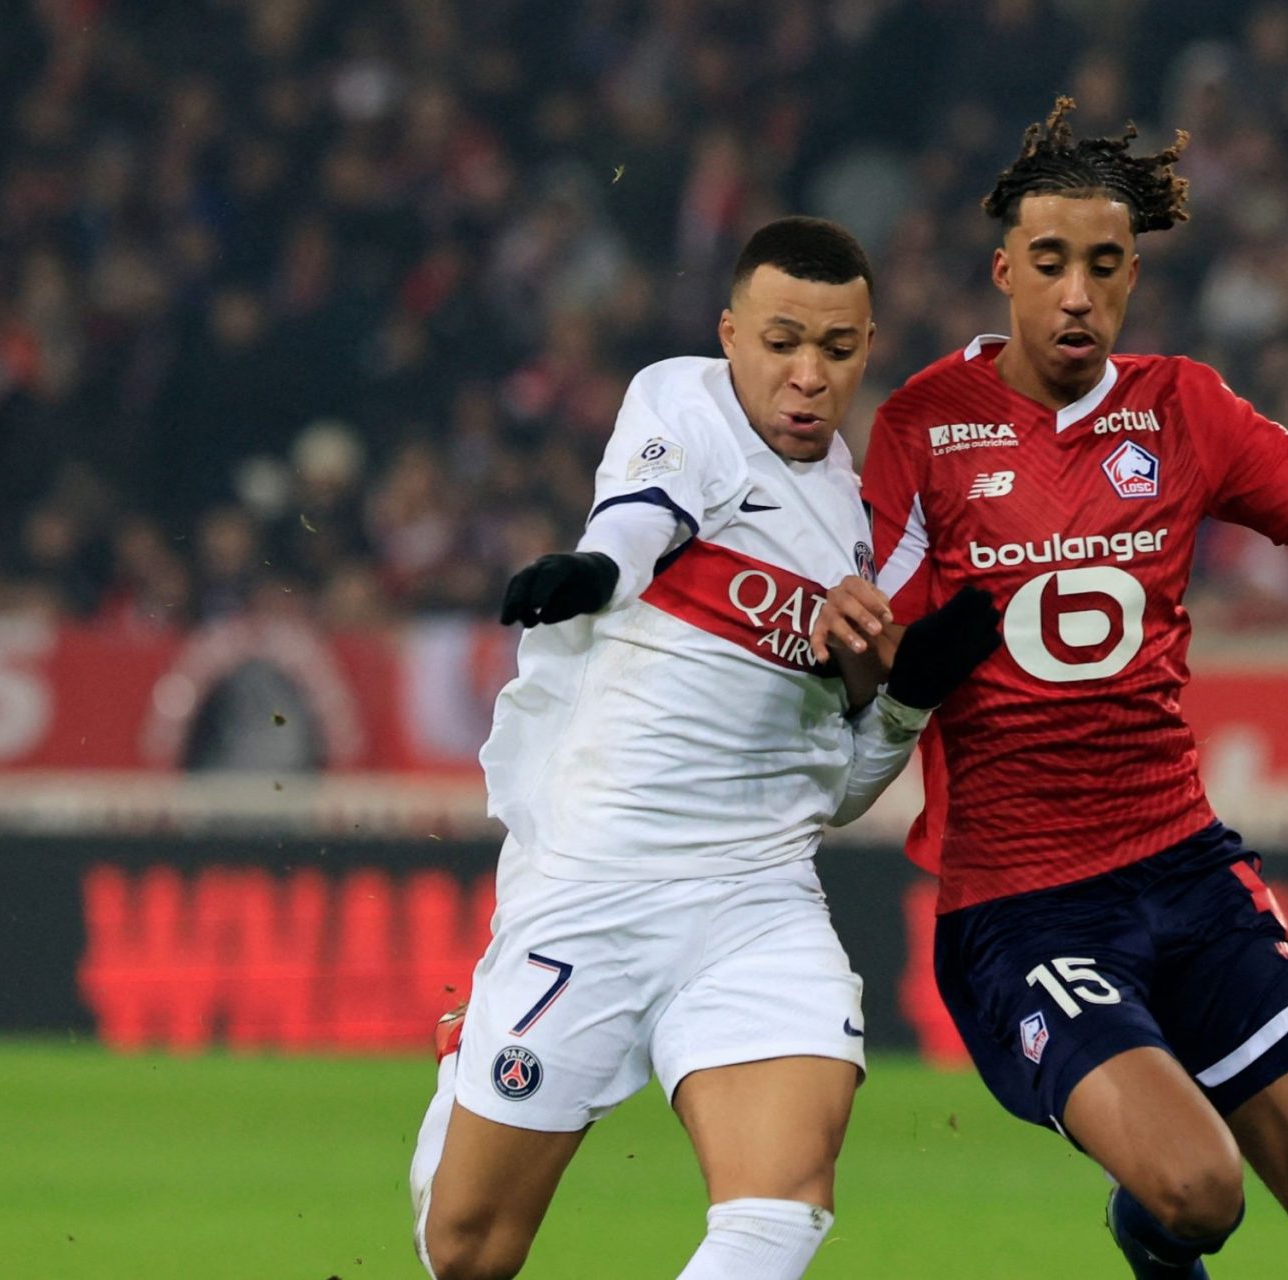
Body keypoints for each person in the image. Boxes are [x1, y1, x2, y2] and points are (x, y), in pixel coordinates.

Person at [813, 99, 1288, 1280]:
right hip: (1023, 906)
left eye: (1103, 266)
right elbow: (874, 635)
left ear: (1133, 275)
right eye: (1050, 263)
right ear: (1004, 271)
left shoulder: (1185, 408)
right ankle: (1148, 1226)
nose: (1077, 293)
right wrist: (853, 645)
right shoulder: (926, 425)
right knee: (1197, 1189)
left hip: (1185, 869)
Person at [408, 216, 1001, 1280]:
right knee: (469, 1253)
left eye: (837, 348)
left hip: (756, 897)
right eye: (782, 341)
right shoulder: (685, 402)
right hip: (598, 882)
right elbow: (640, 517)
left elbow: (837, 793)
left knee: (781, 1208)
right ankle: (470, 1059)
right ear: (731, 336)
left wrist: (906, 696)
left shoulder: (861, 529)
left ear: (868, 347)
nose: (809, 374)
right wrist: (596, 572)